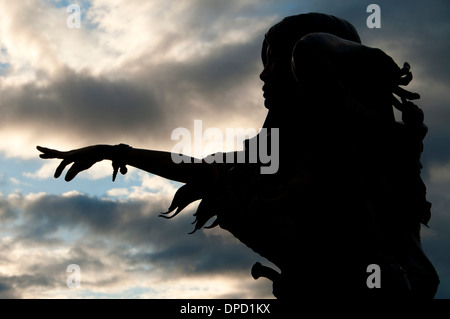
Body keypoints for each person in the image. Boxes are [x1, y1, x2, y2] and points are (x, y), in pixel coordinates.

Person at [37, 13, 439, 299]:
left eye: (275, 61)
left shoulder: (360, 137)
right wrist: (114, 151)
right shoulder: (272, 160)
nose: (264, 77)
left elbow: (314, 51)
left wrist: (358, 57)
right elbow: (200, 170)